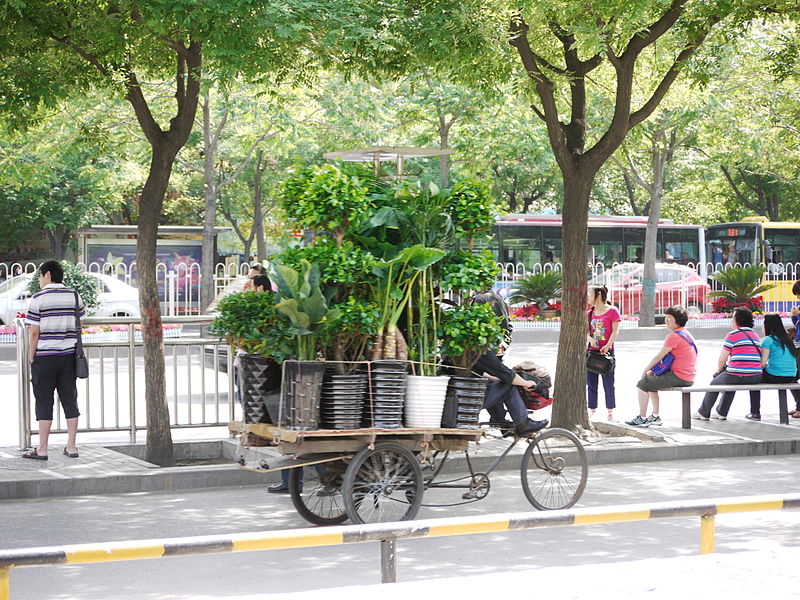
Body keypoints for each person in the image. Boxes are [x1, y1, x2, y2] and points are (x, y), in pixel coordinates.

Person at [22, 260, 85, 460]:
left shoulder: (38, 298)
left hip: (45, 358)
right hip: (68, 357)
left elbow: (34, 331)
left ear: (48, 274)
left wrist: (31, 355)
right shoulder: (74, 296)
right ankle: (72, 446)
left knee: (44, 401)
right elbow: (79, 323)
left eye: (40, 275)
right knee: (70, 399)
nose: (39, 280)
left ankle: (42, 449)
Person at [472, 289, 548, 436]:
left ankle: (502, 423)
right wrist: (526, 383)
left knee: (498, 382)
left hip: (470, 390)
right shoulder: (480, 348)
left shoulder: (472, 343)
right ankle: (523, 423)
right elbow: (505, 374)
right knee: (508, 386)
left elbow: (487, 372)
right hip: (470, 397)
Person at [626, 306, 697, 427]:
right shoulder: (686, 333)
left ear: (678, 320)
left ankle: (642, 418)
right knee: (652, 382)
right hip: (688, 376)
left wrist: (646, 369)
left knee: (643, 383)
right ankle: (655, 416)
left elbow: (659, 356)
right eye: (666, 317)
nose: (666, 320)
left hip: (680, 376)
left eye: (670, 318)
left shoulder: (674, 336)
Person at [694, 307, 762, 421]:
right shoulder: (754, 334)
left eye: (733, 318)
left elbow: (722, 360)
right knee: (728, 380)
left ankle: (704, 412)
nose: (731, 321)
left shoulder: (733, 334)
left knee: (715, 382)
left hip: (738, 374)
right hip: (756, 376)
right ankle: (721, 411)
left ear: (737, 320)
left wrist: (719, 370)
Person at [747, 313, 800, 421]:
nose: (762, 326)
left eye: (763, 324)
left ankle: (755, 412)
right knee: (789, 379)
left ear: (768, 326)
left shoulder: (768, 340)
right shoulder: (787, 339)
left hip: (776, 376)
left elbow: (762, 363)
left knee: (753, 379)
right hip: (792, 375)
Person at [587, 284, 620, 421]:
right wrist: (590, 339)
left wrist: (608, 345)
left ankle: (610, 411)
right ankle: (592, 410)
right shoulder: (590, 313)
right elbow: (585, 332)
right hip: (591, 353)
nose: (588, 297)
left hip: (606, 354)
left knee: (608, 383)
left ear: (599, 295)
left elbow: (615, 331)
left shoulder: (612, 311)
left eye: (590, 294)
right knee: (591, 384)